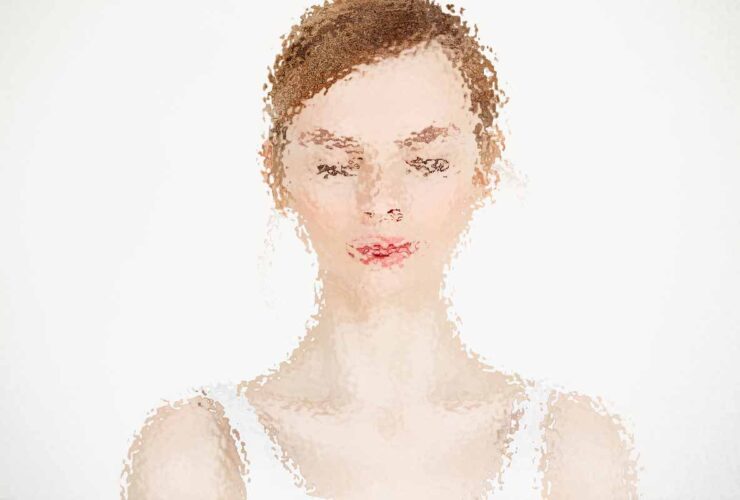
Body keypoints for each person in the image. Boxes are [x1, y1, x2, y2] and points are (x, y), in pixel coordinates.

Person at [122, 1, 638, 498]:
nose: (380, 202)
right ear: (277, 175)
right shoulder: (196, 450)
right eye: (335, 166)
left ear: (483, 167)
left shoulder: (571, 448)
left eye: (426, 162)